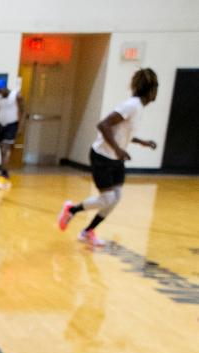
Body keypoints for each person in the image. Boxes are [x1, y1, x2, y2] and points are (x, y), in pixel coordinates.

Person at [58, 68, 159, 247]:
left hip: (115, 159)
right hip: (102, 157)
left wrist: (141, 142)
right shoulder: (132, 105)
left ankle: (87, 231)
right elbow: (103, 125)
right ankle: (71, 209)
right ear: (151, 89)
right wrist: (118, 149)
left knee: (116, 197)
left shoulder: (139, 108)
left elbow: (121, 132)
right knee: (107, 199)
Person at [0, 84, 24, 188]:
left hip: (12, 125)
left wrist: (20, 127)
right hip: (1, 125)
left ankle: (3, 175)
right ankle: (4, 172)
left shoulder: (16, 96)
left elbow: (22, 111)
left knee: (6, 149)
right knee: (1, 150)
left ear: (4, 88)